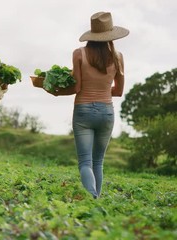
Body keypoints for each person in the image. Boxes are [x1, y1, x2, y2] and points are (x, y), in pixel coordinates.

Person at [45, 12, 129, 198]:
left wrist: (56, 92)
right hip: (106, 112)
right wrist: (103, 91)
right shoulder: (118, 57)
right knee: (98, 161)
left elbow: (77, 87)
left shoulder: (79, 53)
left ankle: (92, 196)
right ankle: (96, 202)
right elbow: (118, 91)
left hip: (83, 111)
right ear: (110, 34)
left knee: (85, 162)